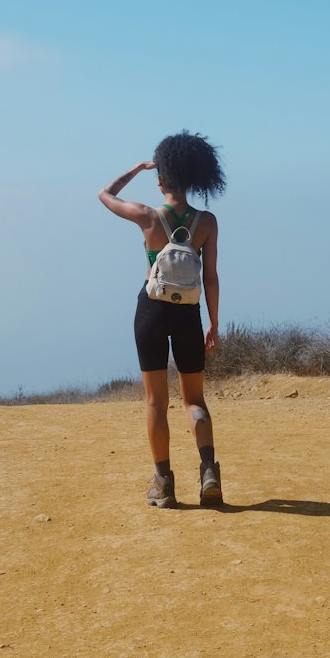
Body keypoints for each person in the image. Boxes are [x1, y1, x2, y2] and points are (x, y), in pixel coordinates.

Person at [99, 131, 225, 509]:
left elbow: (105, 194)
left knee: (156, 401)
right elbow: (211, 277)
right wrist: (214, 324)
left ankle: (163, 484)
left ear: (164, 175)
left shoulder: (147, 216)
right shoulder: (207, 222)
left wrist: (137, 168)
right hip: (189, 312)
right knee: (195, 399)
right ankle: (208, 473)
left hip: (151, 311)